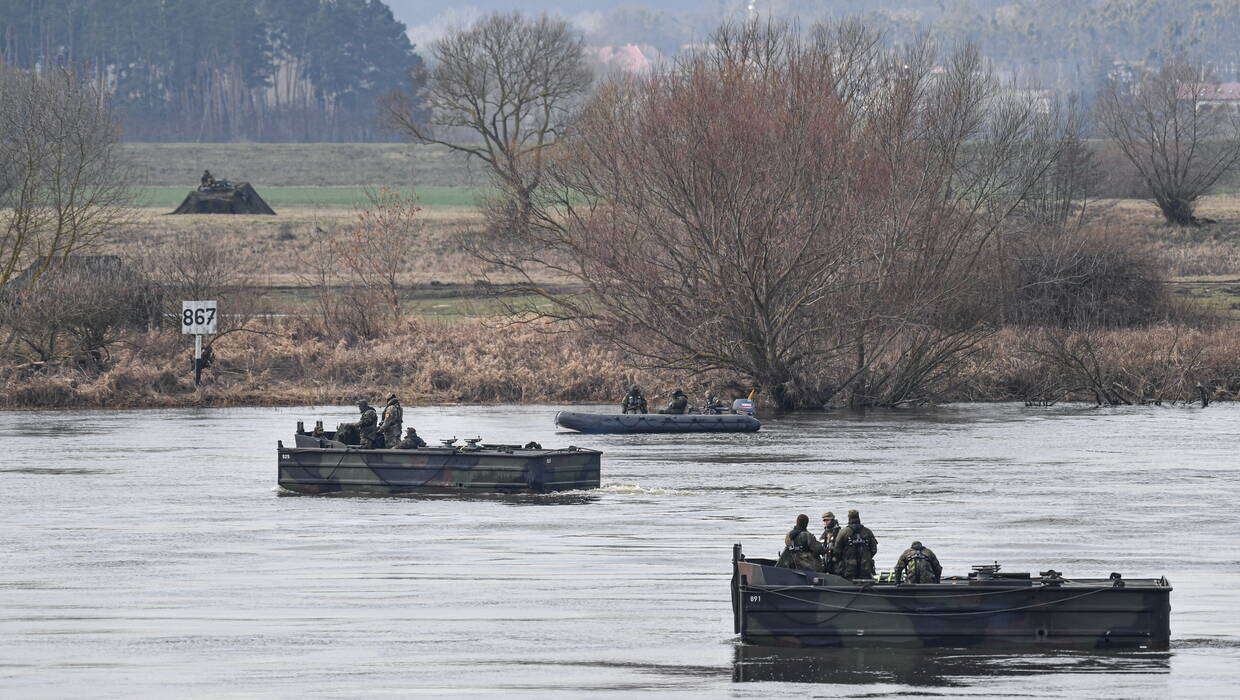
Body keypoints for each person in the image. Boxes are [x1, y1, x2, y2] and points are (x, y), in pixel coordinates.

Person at [832, 509, 878, 579]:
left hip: (848, 568)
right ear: (858, 518)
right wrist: (866, 557)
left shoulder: (843, 532)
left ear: (849, 518)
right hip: (865, 567)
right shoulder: (868, 532)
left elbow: (837, 551)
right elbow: (874, 549)